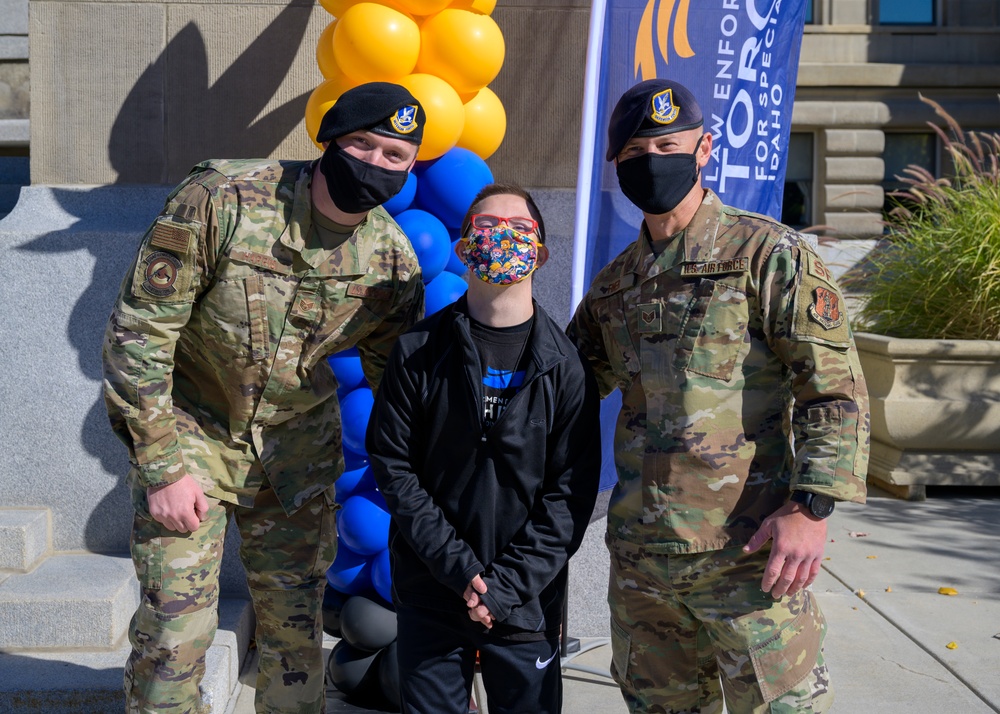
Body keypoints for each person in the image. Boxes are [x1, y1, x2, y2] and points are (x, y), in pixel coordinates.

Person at [102, 81, 426, 714]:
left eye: (396, 156)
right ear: (331, 138)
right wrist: (162, 466)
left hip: (295, 462)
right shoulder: (223, 199)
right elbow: (139, 334)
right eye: (364, 144)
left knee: (295, 640)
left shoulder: (392, 263)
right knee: (175, 634)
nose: (377, 164)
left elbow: (400, 391)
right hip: (192, 435)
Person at [567, 78, 871, 713]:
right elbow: (564, 390)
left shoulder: (766, 254)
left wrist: (810, 509)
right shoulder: (615, 286)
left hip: (749, 557)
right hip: (644, 566)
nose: (652, 162)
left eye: (668, 145)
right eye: (634, 155)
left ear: (704, 149)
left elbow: (834, 390)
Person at [366, 184, 602, 714]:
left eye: (518, 229)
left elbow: (570, 496)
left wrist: (505, 586)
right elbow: (395, 469)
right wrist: (460, 571)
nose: (501, 239)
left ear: (540, 251)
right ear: (463, 246)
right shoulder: (417, 352)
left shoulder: (567, 368)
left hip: (526, 602)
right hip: (431, 590)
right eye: (487, 227)